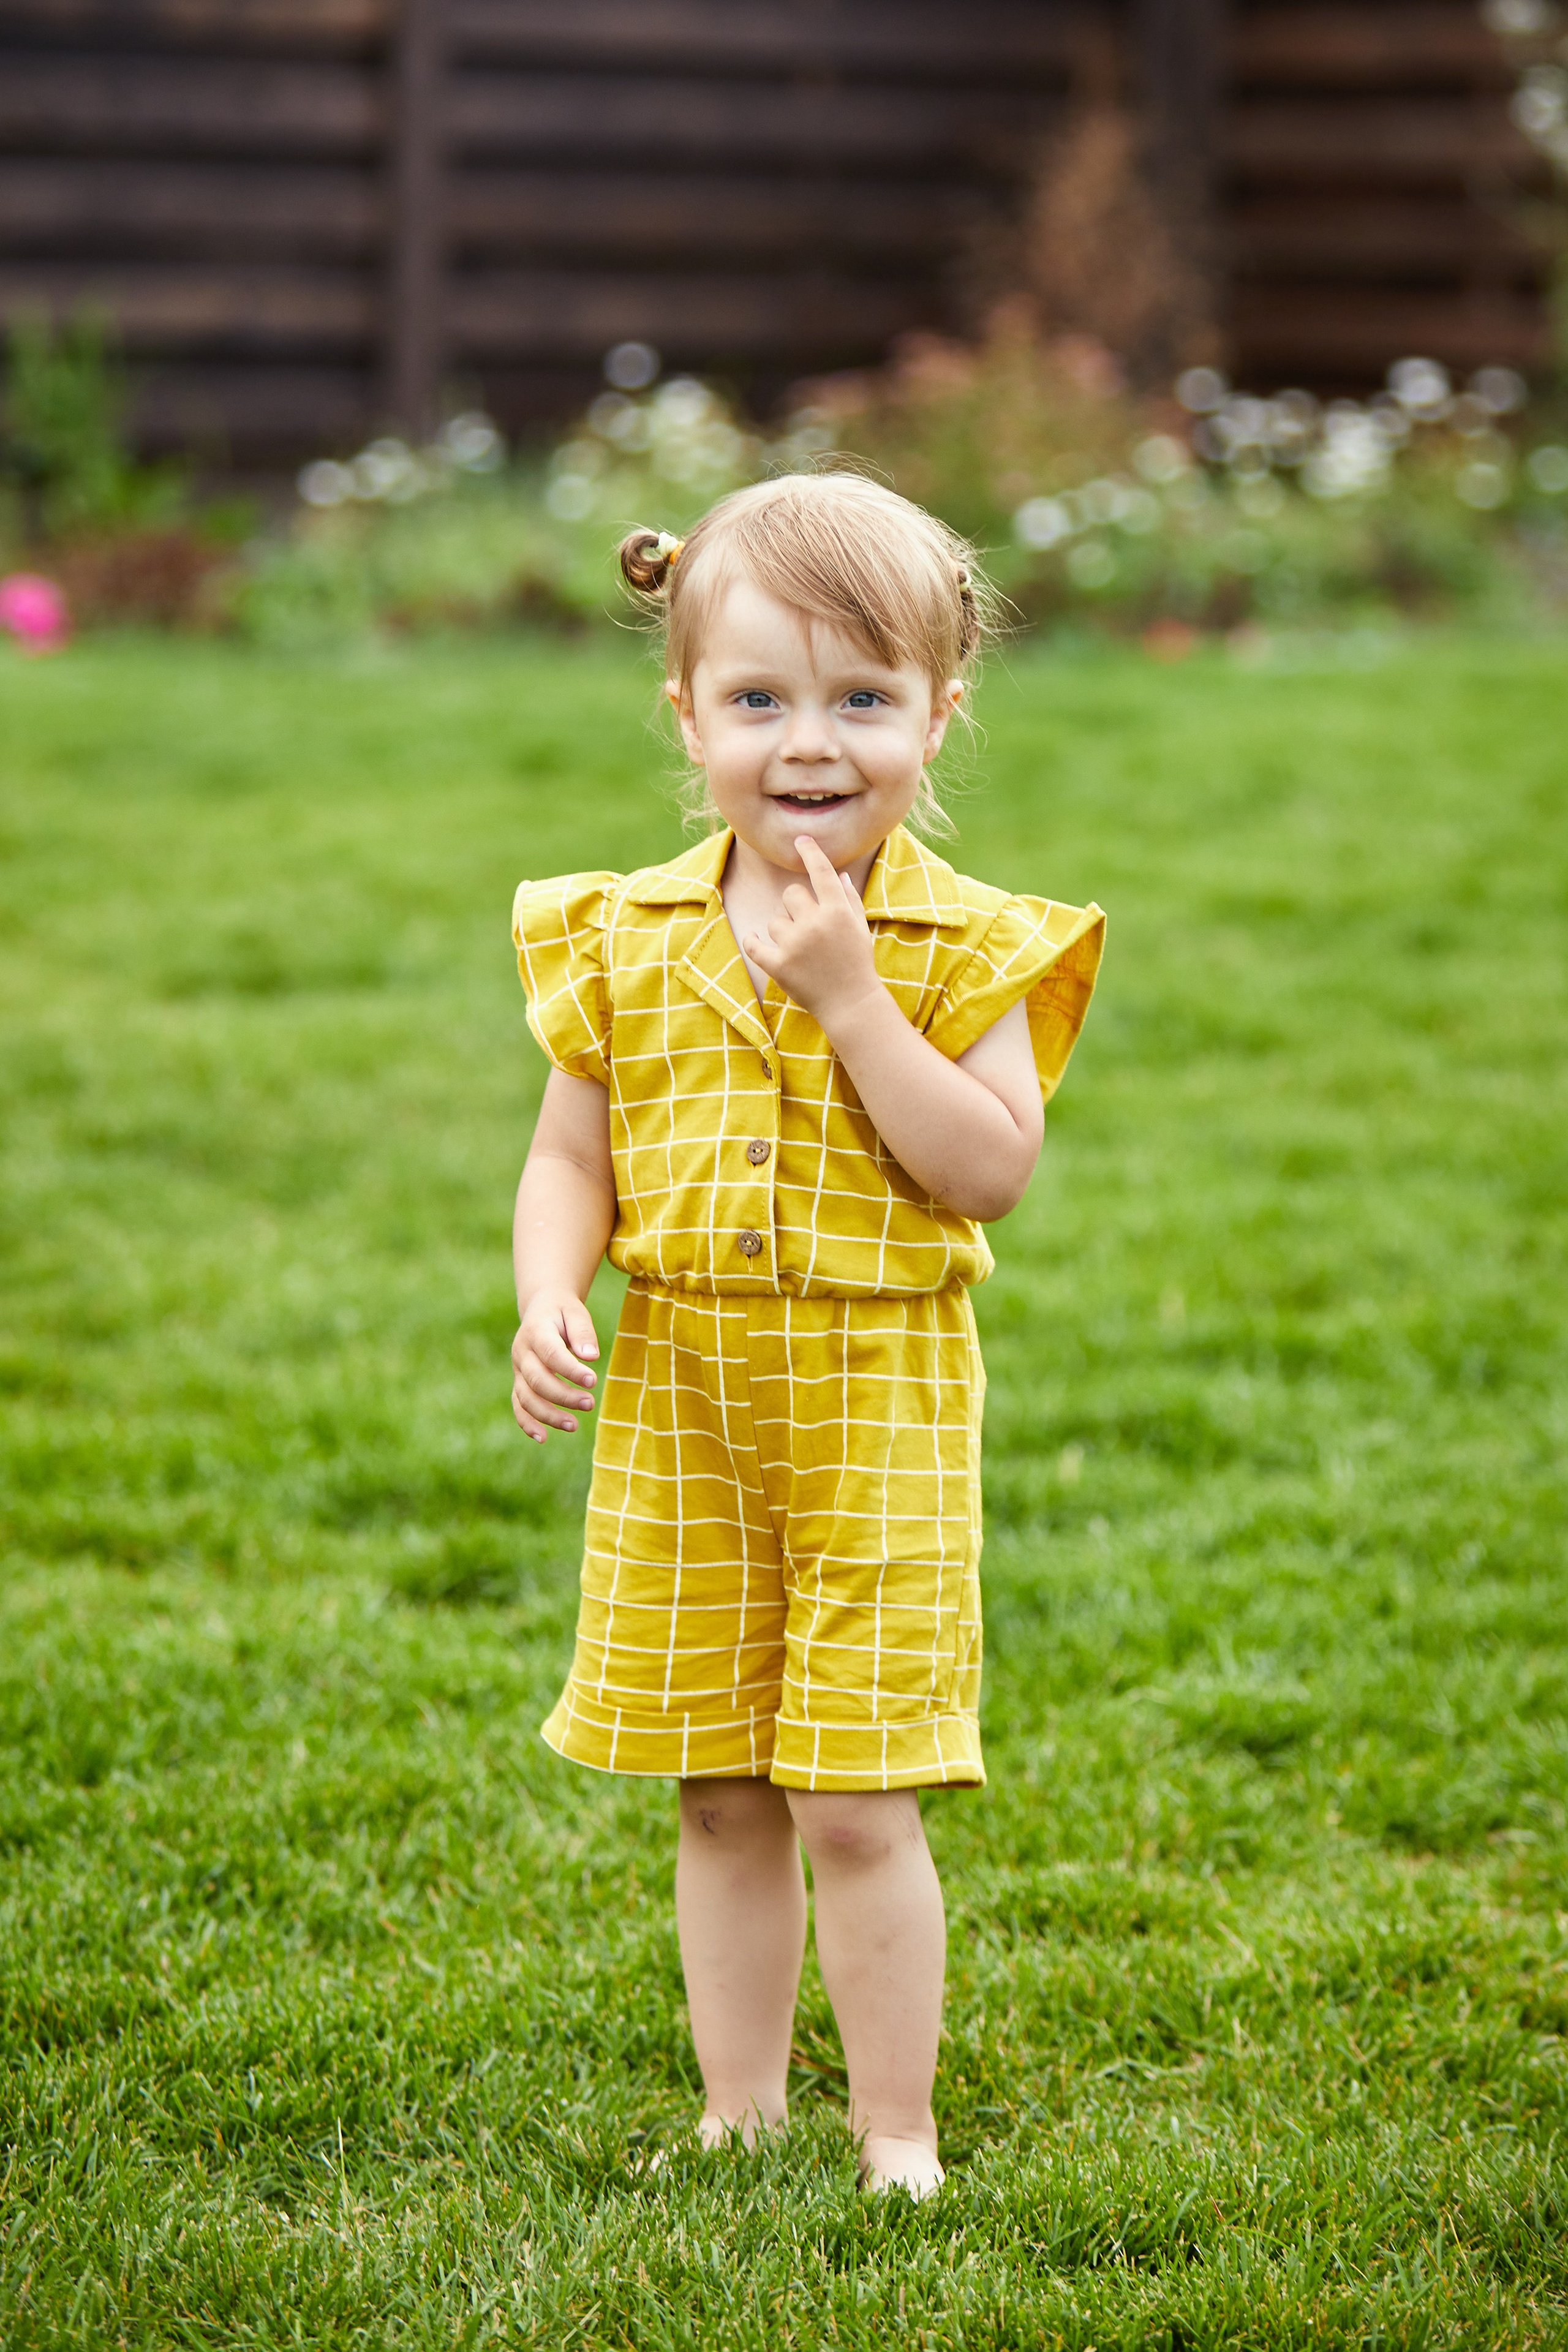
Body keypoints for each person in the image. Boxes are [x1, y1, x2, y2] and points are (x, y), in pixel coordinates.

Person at [508, 472, 1104, 2198]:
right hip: (685, 1401)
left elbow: (987, 1172)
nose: (810, 745)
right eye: (761, 699)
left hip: (877, 1405)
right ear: (687, 712)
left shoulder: (960, 946)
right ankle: (739, 2105)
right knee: (718, 1785)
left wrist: (848, 996)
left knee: (856, 1794)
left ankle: (893, 2128)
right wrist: (553, 1289)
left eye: (863, 699)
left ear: (939, 714)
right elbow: (570, 1153)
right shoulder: (626, 937)